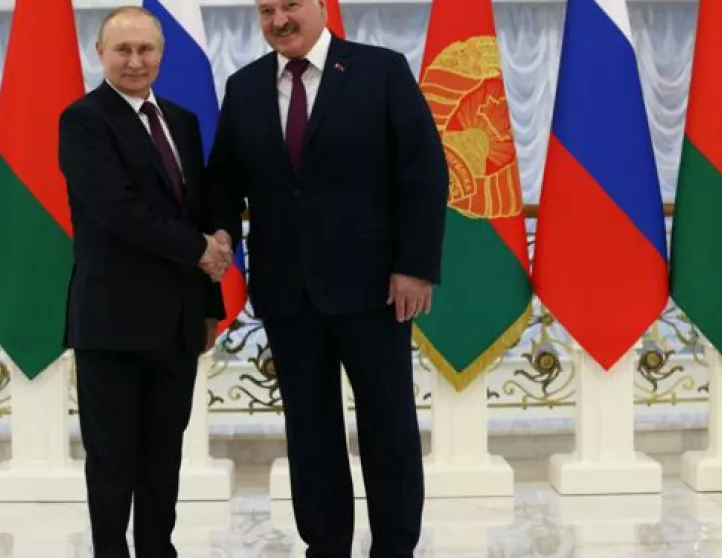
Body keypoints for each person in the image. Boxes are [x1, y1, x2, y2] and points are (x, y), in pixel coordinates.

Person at [206, 0, 449, 555]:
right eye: (266, 10)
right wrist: (221, 234)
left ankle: (395, 546)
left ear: (320, 7)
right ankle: (325, 544)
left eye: (290, 5)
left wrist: (414, 266)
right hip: (288, 293)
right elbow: (223, 179)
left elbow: (424, 172)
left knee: (387, 427)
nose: (279, 20)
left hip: (376, 291)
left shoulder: (380, 69)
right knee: (310, 432)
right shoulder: (243, 86)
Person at [58, 7, 232, 558]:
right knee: (112, 462)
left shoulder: (182, 120)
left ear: (161, 53)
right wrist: (202, 250)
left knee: (163, 455)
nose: (135, 61)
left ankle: (160, 550)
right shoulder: (84, 120)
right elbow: (118, 211)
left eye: (146, 50)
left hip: (178, 322)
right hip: (112, 321)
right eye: (123, 50)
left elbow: (196, 210)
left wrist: (209, 303)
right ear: (100, 54)